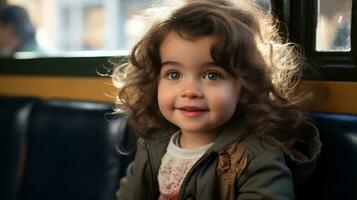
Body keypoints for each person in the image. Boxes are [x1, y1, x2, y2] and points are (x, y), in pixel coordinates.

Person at [112, 0, 321, 199]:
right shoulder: (153, 144)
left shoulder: (257, 155)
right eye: (174, 74)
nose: (190, 91)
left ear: (246, 87)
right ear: (155, 80)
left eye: (212, 75)